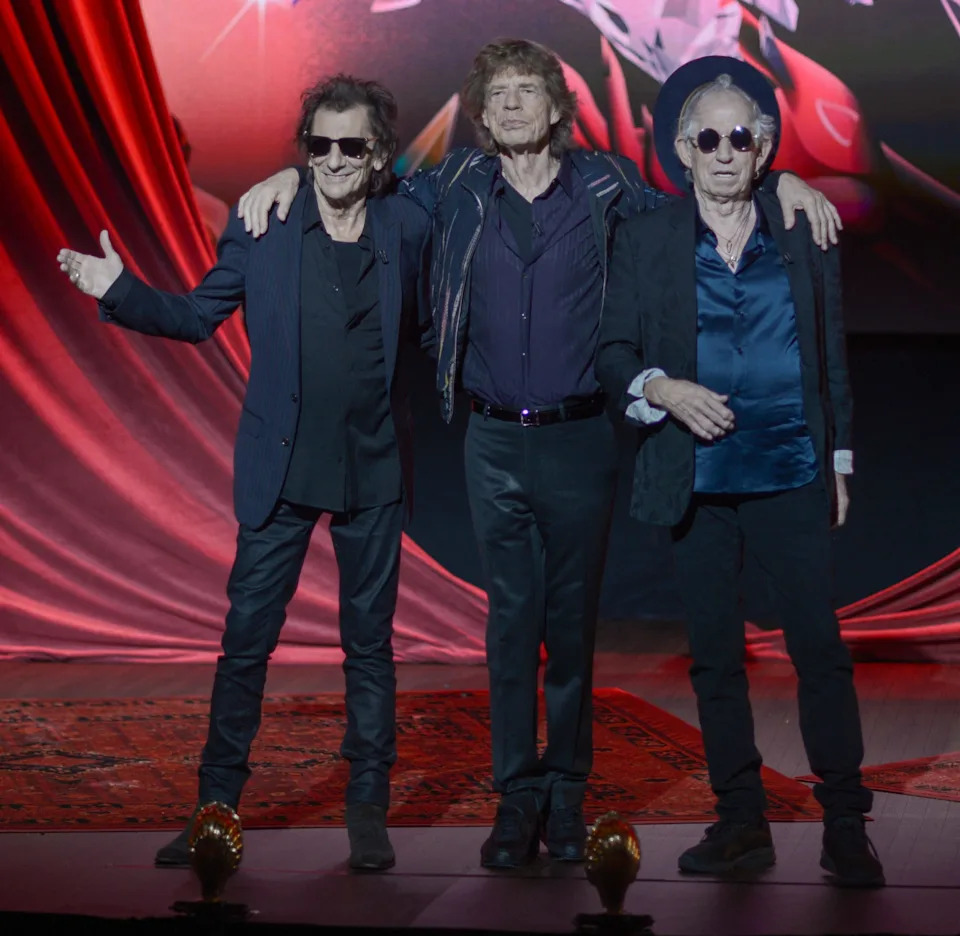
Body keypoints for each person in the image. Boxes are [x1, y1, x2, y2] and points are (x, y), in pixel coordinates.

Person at [237, 39, 840, 871]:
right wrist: (286, 175)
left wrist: (782, 184)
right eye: (499, 94)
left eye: (528, 90)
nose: (513, 104)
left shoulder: (607, 185)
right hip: (492, 441)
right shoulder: (455, 185)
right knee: (510, 629)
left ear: (557, 108)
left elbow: (705, 193)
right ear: (482, 116)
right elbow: (357, 177)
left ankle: (568, 797)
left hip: (582, 438)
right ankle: (515, 799)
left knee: (571, 628)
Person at [57, 74, 433, 872]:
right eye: (318, 146)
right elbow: (199, 317)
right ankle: (214, 807)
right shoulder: (266, 226)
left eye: (352, 145)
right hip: (283, 463)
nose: (334, 159)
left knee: (370, 648)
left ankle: (367, 810)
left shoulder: (408, 224)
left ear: (379, 155)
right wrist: (120, 290)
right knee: (245, 643)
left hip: (374, 467)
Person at [595, 55, 884, 888]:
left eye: (741, 139)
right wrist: (663, 389)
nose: (725, 153)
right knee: (716, 659)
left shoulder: (801, 228)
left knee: (819, 650)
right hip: (697, 481)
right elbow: (613, 352)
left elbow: (828, 354)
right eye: (709, 139)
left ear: (763, 151)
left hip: (790, 469)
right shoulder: (646, 238)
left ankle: (845, 824)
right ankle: (741, 823)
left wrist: (838, 460)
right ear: (682, 150)